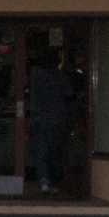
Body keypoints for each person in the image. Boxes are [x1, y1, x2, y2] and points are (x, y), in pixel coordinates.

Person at [29, 49, 73, 194]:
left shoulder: (36, 75)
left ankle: (44, 181)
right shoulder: (60, 76)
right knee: (54, 152)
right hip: (57, 119)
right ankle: (52, 182)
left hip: (40, 118)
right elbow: (69, 94)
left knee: (41, 151)